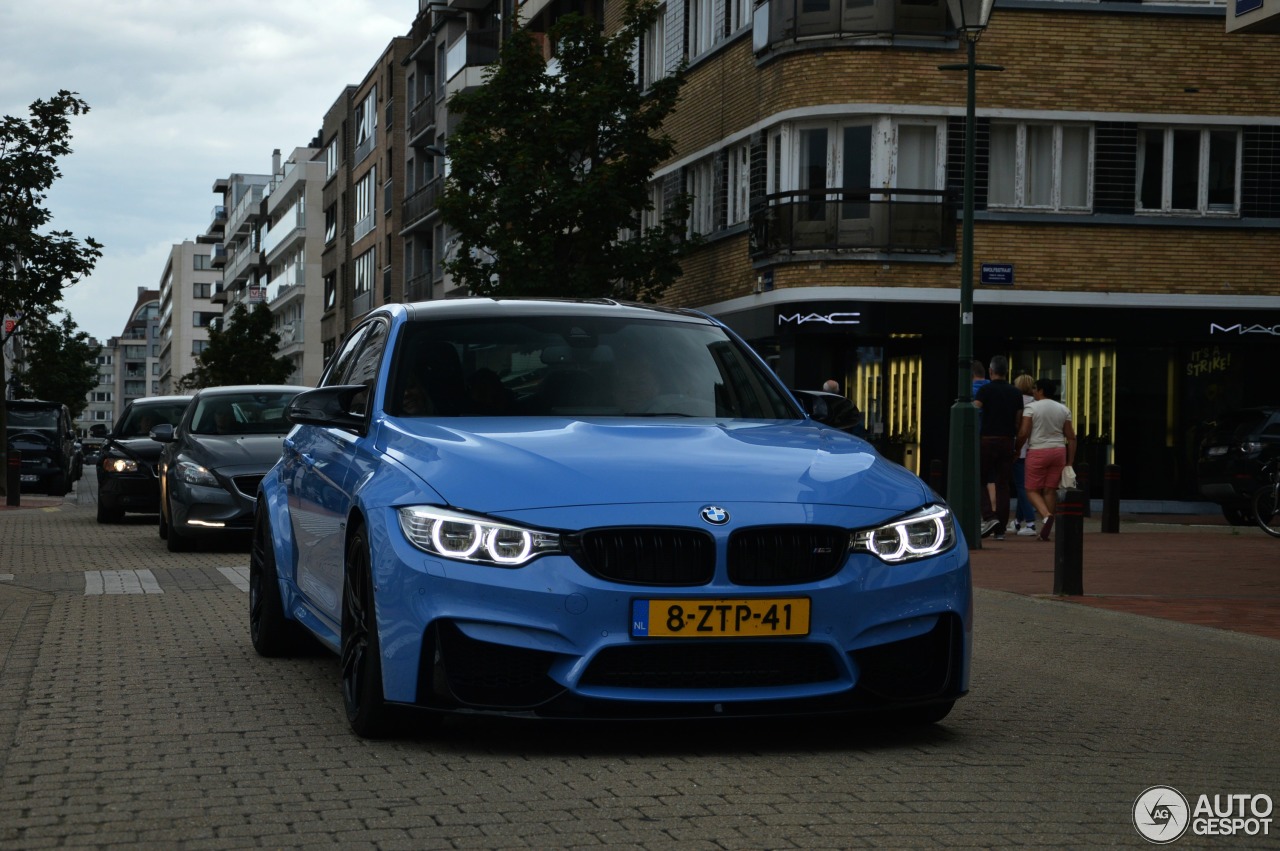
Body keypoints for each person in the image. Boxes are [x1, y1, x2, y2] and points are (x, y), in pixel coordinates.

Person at [1016, 377, 1077, 542]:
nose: (1033, 391)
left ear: (1041, 390)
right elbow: (1071, 437)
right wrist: (1070, 461)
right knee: (1050, 489)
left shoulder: (1031, 408)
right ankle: (1047, 530)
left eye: (1035, 388)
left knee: (1031, 489)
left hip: (1038, 451)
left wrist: (1016, 449)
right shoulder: (1064, 409)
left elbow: (1023, 433)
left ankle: (1046, 515)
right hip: (1058, 451)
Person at [973, 355, 1023, 540]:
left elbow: (975, 409)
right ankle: (1001, 529)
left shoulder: (985, 390)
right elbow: (1018, 421)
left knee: (979, 479)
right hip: (1007, 440)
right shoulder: (1016, 393)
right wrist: (1016, 445)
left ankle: (989, 516)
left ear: (991, 371)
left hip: (986, 439)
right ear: (1006, 371)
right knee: (1003, 484)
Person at [1012, 374, 1037, 536]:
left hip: (1018, 449)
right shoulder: (1036, 404)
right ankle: (1017, 522)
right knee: (1024, 485)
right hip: (1033, 449)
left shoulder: (1015, 402)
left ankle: (1031, 522)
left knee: (1021, 486)